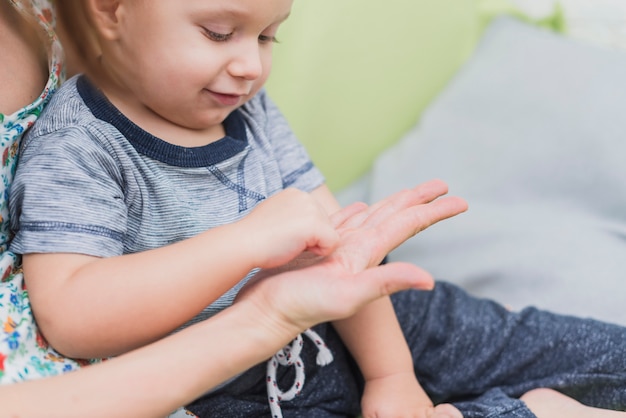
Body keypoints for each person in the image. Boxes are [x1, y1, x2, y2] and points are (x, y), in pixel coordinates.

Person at [6, 1, 626, 418]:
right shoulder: (76, 142)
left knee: (602, 357)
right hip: (239, 388)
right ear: (113, 12)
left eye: (269, 35)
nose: (250, 65)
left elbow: (343, 249)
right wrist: (246, 242)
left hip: (362, 320)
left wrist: (390, 375)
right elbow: (74, 315)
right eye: (219, 33)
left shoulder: (242, 107)